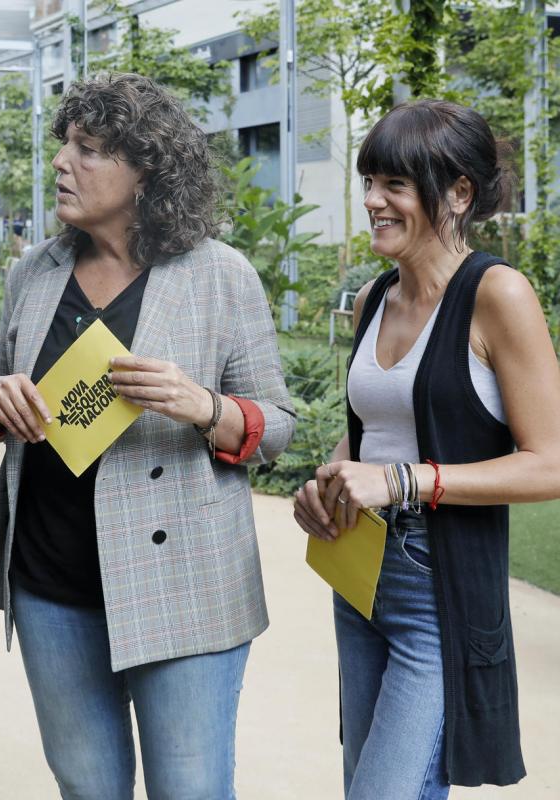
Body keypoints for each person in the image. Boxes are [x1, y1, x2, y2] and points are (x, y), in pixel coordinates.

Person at [0, 73, 295, 799]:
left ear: (146, 170)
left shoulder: (220, 276)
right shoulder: (34, 273)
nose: (62, 162)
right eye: (65, 145)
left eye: (88, 149)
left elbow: (278, 427)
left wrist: (204, 406)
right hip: (51, 581)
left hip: (184, 583)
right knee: (88, 788)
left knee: (190, 790)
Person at [293, 100, 560, 797]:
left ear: (459, 193)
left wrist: (404, 481)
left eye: (395, 185)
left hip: (435, 584)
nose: (372, 202)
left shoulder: (497, 294)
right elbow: (371, 431)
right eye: (369, 183)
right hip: (359, 570)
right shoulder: (373, 298)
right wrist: (326, 483)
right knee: (364, 782)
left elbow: (551, 463)